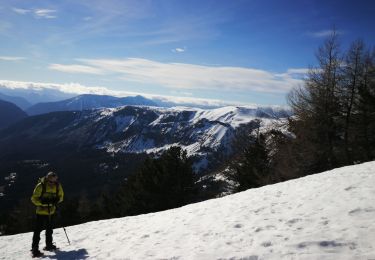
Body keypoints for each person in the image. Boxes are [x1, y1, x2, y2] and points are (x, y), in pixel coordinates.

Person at [31, 171, 64, 257]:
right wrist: (43, 203)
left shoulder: (57, 186)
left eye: (54, 181)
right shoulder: (40, 186)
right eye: (50, 181)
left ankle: (49, 245)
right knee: (38, 230)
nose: (52, 183)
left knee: (49, 229)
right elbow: (34, 199)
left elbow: (61, 197)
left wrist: (56, 200)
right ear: (47, 179)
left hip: (51, 211)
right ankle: (35, 249)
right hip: (41, 212)